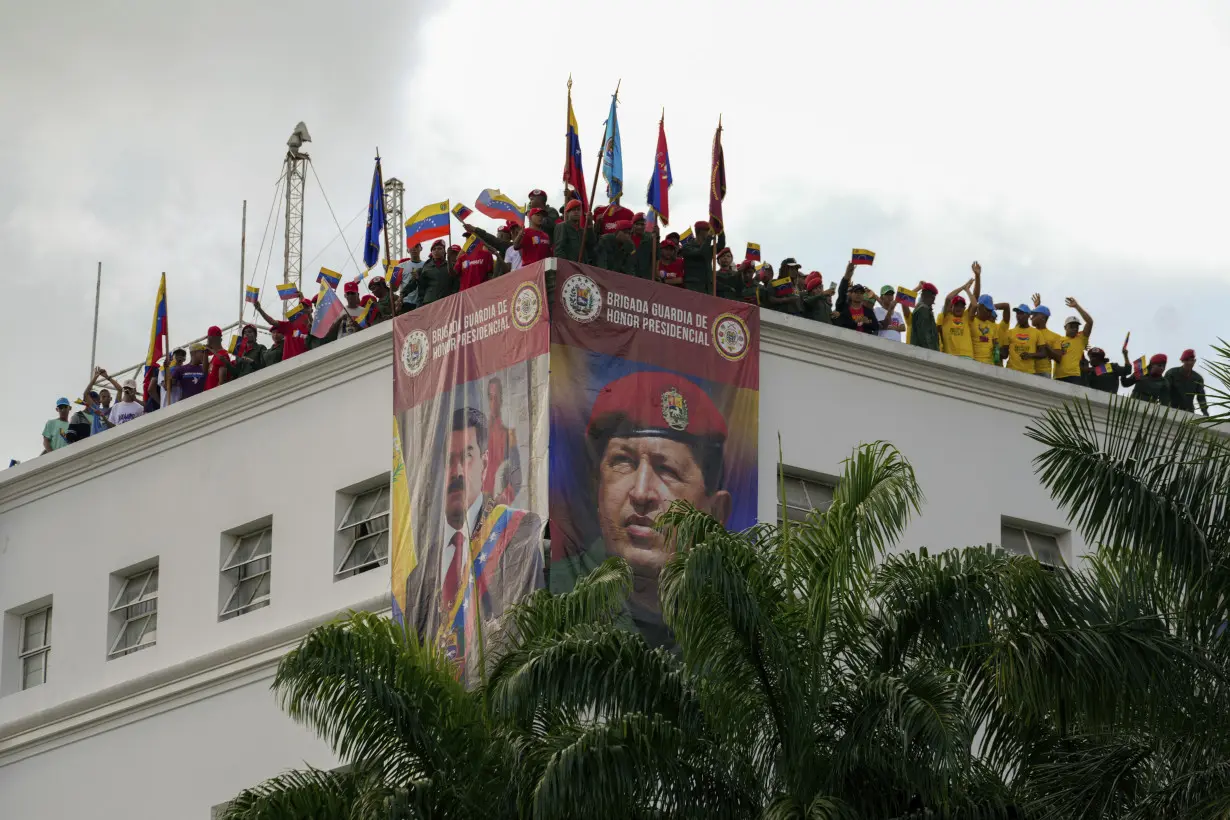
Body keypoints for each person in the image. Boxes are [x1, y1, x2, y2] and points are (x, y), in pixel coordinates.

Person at [563, 370, 733, 646]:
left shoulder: (737, 644)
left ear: (716, 513)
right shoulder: (548, 597)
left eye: (667, 470)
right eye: (623, 462)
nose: (641, 493)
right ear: (597, 487)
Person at [399, 406, 543, 676]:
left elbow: (525, 628)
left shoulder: (518, 532)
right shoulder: (417, 578)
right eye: (449, 460)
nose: (457, 471)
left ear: (485, 463)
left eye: (466, 456)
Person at [481, 378, 522, 506]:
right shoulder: (479, 433)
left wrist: (501, 500)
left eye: (497, 397)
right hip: (478, 503)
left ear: (502, 399)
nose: (494, 402)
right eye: (491, 398)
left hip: (497, 503)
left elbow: (516, 479)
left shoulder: (509, 434)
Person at [1052, 298, 1093, 384]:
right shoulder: (1058, 339)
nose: (1074, 329)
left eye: (1076, 327)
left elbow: (1089, 322)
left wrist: (1076, 306)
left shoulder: (1081, 338)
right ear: (1065, 327)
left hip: (1074, 376)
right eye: (1071, 326)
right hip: (1058, 376)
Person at [834, 262, 878, 334]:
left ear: (864, 296)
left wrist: (867, 322)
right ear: (850, 294)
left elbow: (876, 326)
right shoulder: (843, 307)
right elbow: (842, 292)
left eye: (861, 293)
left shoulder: (868, 311)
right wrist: (847, 276)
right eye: (856, 292)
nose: (858, 294)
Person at [936, 280, 975, 359]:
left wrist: (967, 290)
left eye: (961, 306)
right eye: (956, 305)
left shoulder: (966, 317)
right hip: (950, 355)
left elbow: (974, 305)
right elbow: (948, 298)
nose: (959, 308)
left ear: (964, 308)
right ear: (952, 307)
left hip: (968, 356)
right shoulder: (945, 317)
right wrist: (963, 287)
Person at [679, 221, 720, 294]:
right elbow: (701, 253)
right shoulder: (687, 247)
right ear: (700, 231)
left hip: (708, 288)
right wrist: (709, 238)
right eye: (708, 230)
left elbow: (721, 245)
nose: (710, 232)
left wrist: (721, 231)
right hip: (693, 287)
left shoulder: (708, 248)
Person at [971, 294, 1010, 366]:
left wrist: (997, 351)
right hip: (973, 363)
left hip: (990, 365)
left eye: (991, 310)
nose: (989, 313)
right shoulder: (971, 321)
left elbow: (995, 344)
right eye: (988, 310)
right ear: (980, 307)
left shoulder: (993, 326)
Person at [1167, 349, 1209, 415]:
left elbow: (1201, 398)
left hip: (1188, 412)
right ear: (1183, 361)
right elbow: (1164, 390)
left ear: (1195, 361)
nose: (1189, 363)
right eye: (1187, 360)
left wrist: (1205, 412)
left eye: (1192, 360)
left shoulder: (1198, 379)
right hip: (1170, 409)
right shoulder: (1172, 373)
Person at [1030, 296, 1063, 378]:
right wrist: (1037, 307)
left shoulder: (1055, 336)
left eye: (1034, 315)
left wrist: (1045, 345)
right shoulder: (1029, 332)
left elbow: (1058, 358)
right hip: (1028, 370)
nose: (1031, 318)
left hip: (1044, 373)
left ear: (1043, 317)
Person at [416, 239, 455, 307]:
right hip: (429, 303)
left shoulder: (451, 266)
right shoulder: (425, 267)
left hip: (447, 303)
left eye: (439, 248)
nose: (436, 251)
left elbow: (455, 284)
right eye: (434, 249)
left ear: (444, 251)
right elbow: (421, 289)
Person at [1002, 304, 1039, 375]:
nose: (1019, 316)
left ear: (1028, 315)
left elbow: (1043, 353)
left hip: (1029, 372)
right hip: (1011, 371)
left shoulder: (1036, 332)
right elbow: (1004, 355)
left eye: (1022, 313)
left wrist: (1030, 355)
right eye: (1017, 314)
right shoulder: (1010, 332)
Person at [904, 282, 940, 350]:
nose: (933, 301)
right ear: (926, 295)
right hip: (925, 353)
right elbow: (924, 335)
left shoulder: (924, 310)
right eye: (933, 297)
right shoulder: (923, 310)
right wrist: (933, 352)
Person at [552, 199, 589, 264]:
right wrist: (565, 266)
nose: (576, 212)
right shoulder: (562, 226)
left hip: (582, 267)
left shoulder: (582, 231)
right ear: (568, 212)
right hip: (569, 267)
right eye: (573, 210)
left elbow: (591, 245)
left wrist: (590, 224)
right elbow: (559, 250)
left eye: (578, 210)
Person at [398, 242, 425, 311]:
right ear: (407, 250)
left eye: (416, 246)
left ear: (421, 248)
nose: (413, 249)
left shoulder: (426, 265)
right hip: (406, 303)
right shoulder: (399, 267)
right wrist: (389, 274)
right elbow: (394, 288)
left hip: (423, 302)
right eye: (411, 246)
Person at [204, 326, 231, 390]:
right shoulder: (216, 355)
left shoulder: (223, 355)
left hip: (214, 396)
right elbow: (205, 371)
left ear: (210, 338)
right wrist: (206, 352)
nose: (207, 340)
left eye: (207, 338)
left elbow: (222, 382)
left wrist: (214, 396)